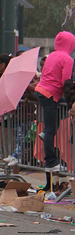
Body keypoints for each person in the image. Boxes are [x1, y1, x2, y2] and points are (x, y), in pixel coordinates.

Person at [34, 31, 75, 172]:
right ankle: (51, 162)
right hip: (50, 94)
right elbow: (66, 82)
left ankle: (45, 133)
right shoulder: (68, 59)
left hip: (41, 91)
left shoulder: (51, 55)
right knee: (51, 129)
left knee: (51, 126)